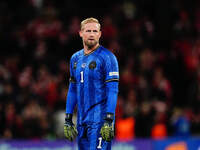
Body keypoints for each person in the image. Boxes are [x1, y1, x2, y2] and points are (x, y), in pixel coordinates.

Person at [64, 17, 119, 150]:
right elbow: (72, 89)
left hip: (100, 120)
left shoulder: (108, 58)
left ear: (100, 34)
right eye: (88, 30)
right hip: (82, 121)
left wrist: (109, 119)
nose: (92, 34)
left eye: (95, 31)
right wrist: (68, 118)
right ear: (80, 33)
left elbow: (113, 90)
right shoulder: (75, 59)